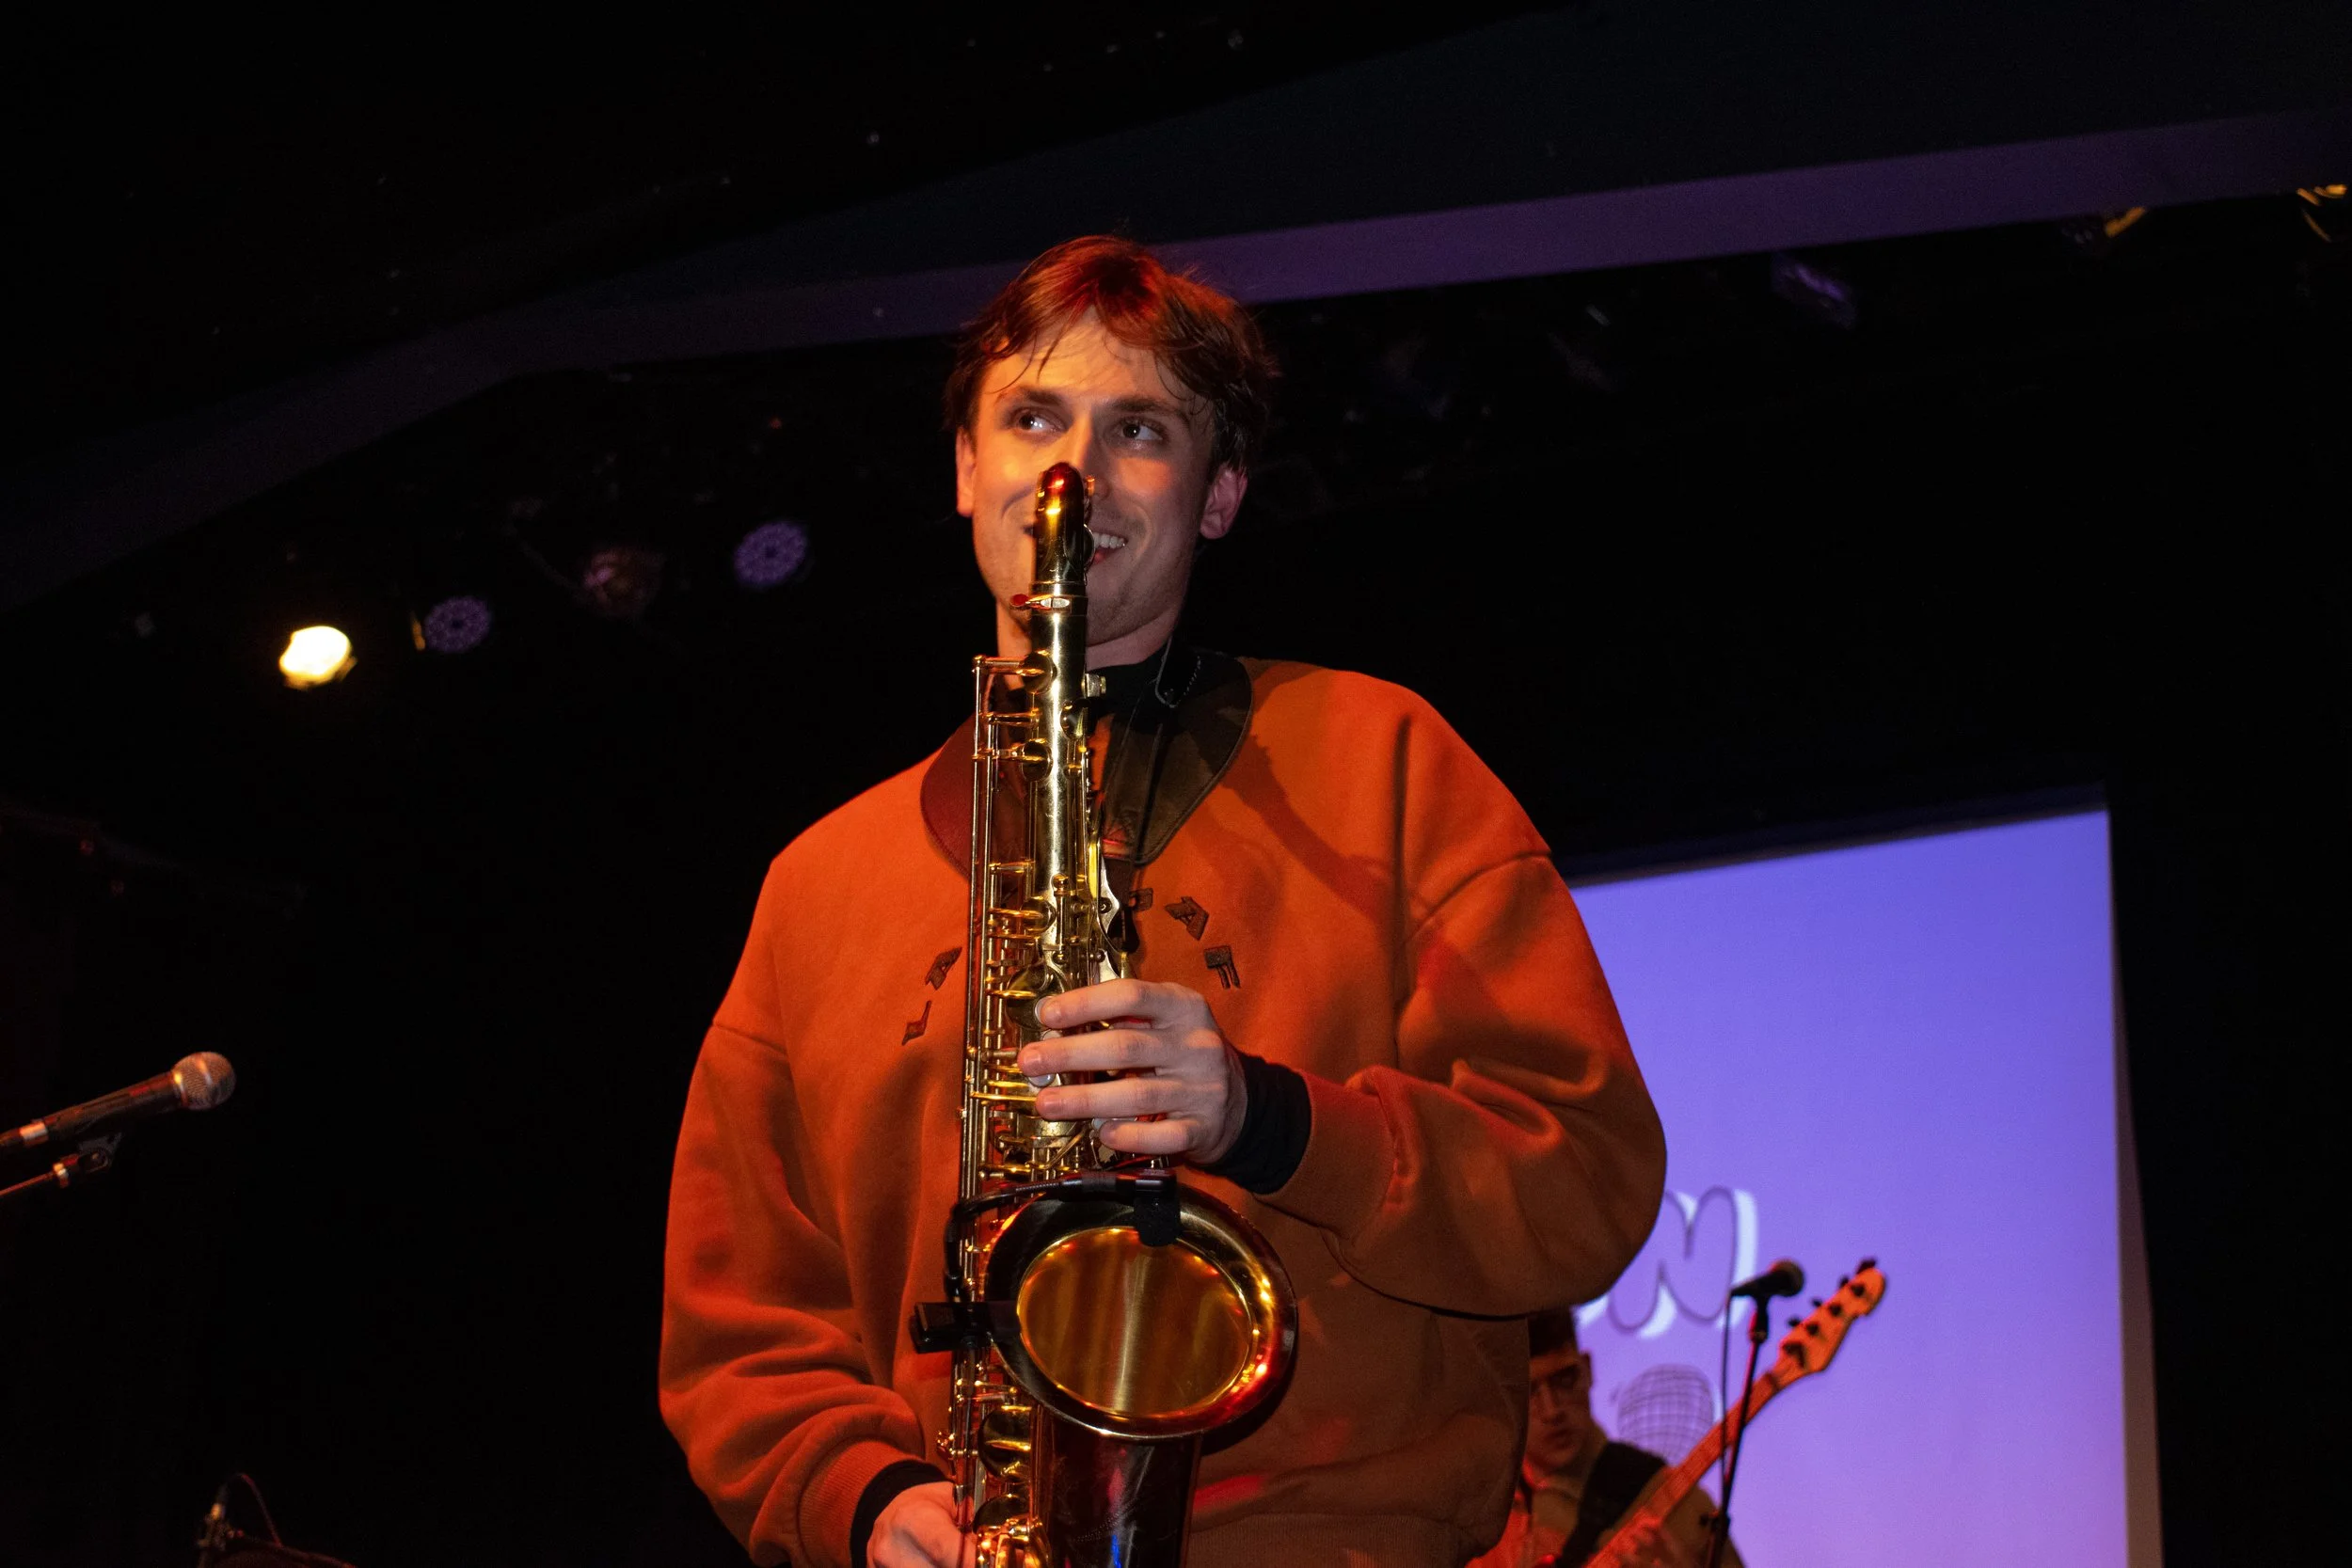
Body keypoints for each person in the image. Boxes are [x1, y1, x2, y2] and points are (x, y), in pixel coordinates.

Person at [659, 236, 1668, 1568]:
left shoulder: (1386, 754)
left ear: (1218, 493)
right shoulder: (815, 881)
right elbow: (738, 1328)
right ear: (966, 466)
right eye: (1033, 417)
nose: (1072, 471)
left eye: (1141, 429)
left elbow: (1586, 1181)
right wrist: (860, 1495)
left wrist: (1271, 1117)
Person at [1470, 1310, 1743, 1568]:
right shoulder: (1474, 1517)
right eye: (1528, 1393)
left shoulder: (1681, 1504)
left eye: (1564, 1379)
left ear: (1587, 1369)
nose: (1552, 1410)